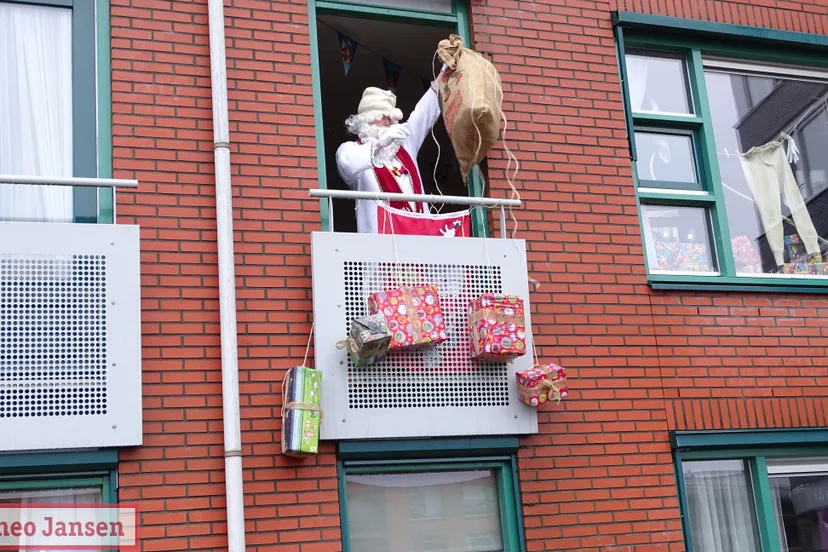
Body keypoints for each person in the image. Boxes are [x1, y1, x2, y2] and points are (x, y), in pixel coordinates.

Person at [336, 71, 444, 233]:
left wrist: (444, 73)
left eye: (390, 118)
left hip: (418, 239)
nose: (387, 122)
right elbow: (348, 165)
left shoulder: (404, 144)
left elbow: (423, 112)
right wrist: (380, 143)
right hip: (380, 244)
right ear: (365, 120)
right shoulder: (351, 149)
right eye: (382, 117)